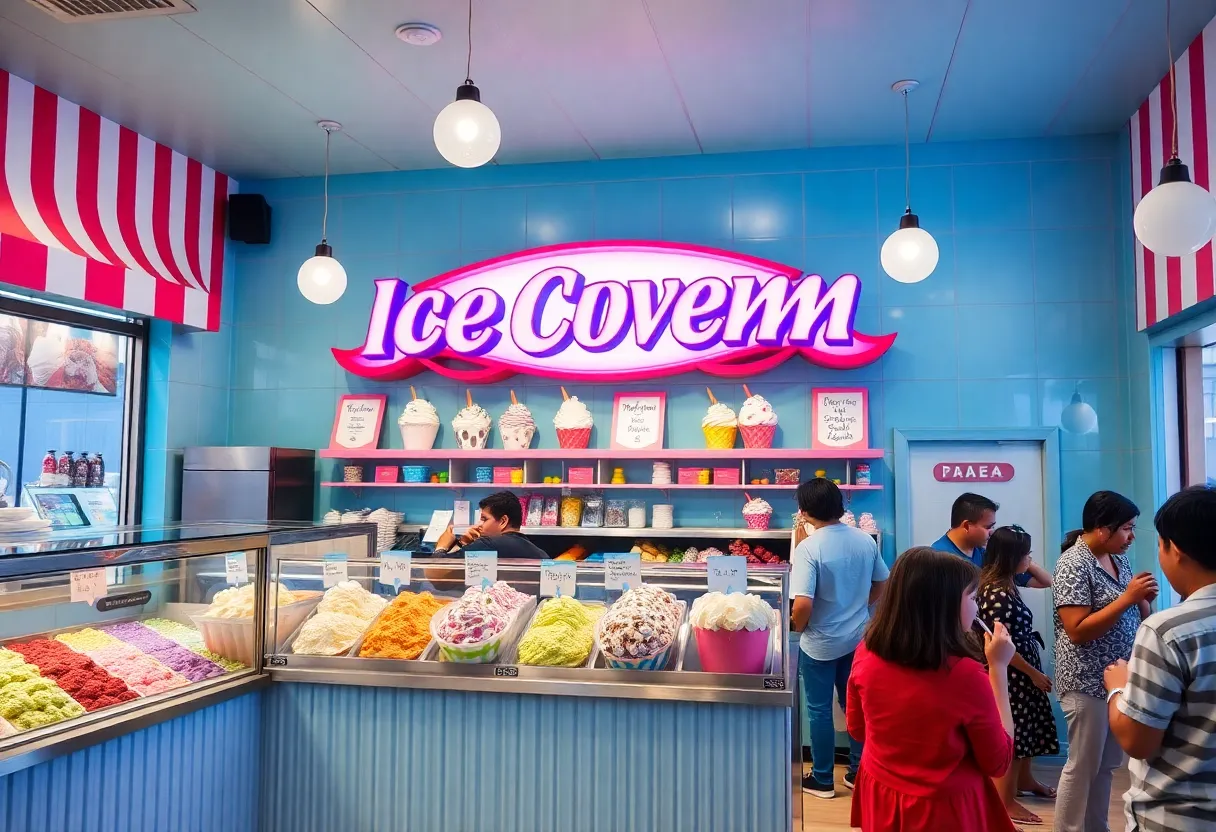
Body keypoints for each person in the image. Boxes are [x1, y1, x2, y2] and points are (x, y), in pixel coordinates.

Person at [846, 546, 1017, 832]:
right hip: (942, 809)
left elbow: (858, 729)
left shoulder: (865, 652)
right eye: (973, 597)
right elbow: (998, 761)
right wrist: (998, 669)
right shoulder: (966, 675)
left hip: (881, 791)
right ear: (943, 606)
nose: (977, 608)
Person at [1104, 486, 1216, 831]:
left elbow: (1137, 741)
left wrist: (1117, 689)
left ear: (1175, 549)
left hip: (1178, 818)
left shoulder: (1169, 630)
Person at [1052, 491, 1158, 832]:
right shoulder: (1073, 564)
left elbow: (1134, 614)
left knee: (1107, 764)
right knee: (1082, 765)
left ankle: (1097, 827)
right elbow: (1077, 630)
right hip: (1085, 680)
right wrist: (1128, 597)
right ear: (1102, 528)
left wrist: (1142, 601)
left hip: (1117, 679)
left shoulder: (1117, 559)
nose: (1131, 536)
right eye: (1126, 528)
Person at [790, 477, 889, 799]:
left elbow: (803, 602)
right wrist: (861, 606)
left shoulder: (809, 547)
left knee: (818, 710)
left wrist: (796, 626)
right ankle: (858, 772)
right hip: (859, 638)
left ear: (804, 512)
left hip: (819, 643)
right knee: (856, 705)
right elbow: (882, 583)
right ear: (840, 505)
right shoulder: (864, 540)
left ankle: (821, 778)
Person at [978, 526, 1060, 826]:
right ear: (1010, 557)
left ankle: (1025, 781)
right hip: (1012, 671)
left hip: (1021, 666)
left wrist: (1026, 561)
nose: (1030, 559)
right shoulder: (996, 593)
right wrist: (1034, 674)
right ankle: (1006, 801)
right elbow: (1000, 646)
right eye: (1025, 553)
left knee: (1028, 731)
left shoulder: (1008, 580)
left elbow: (1048, 581)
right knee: (1014, 737)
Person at [932, 493, 1052, 589]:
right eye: (988, 527)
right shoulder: (939, 559)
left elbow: (1045, 581)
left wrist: (1018, 554)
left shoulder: (985, 552)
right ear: (967, 526)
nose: (992, 532)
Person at [433, 491, 548, 559]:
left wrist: (441, 547)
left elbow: (438, 577)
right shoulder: (542, 555)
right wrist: (463, 542)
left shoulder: (487, 545)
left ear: (503, 521)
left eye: (484, 519)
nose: (479, 525)